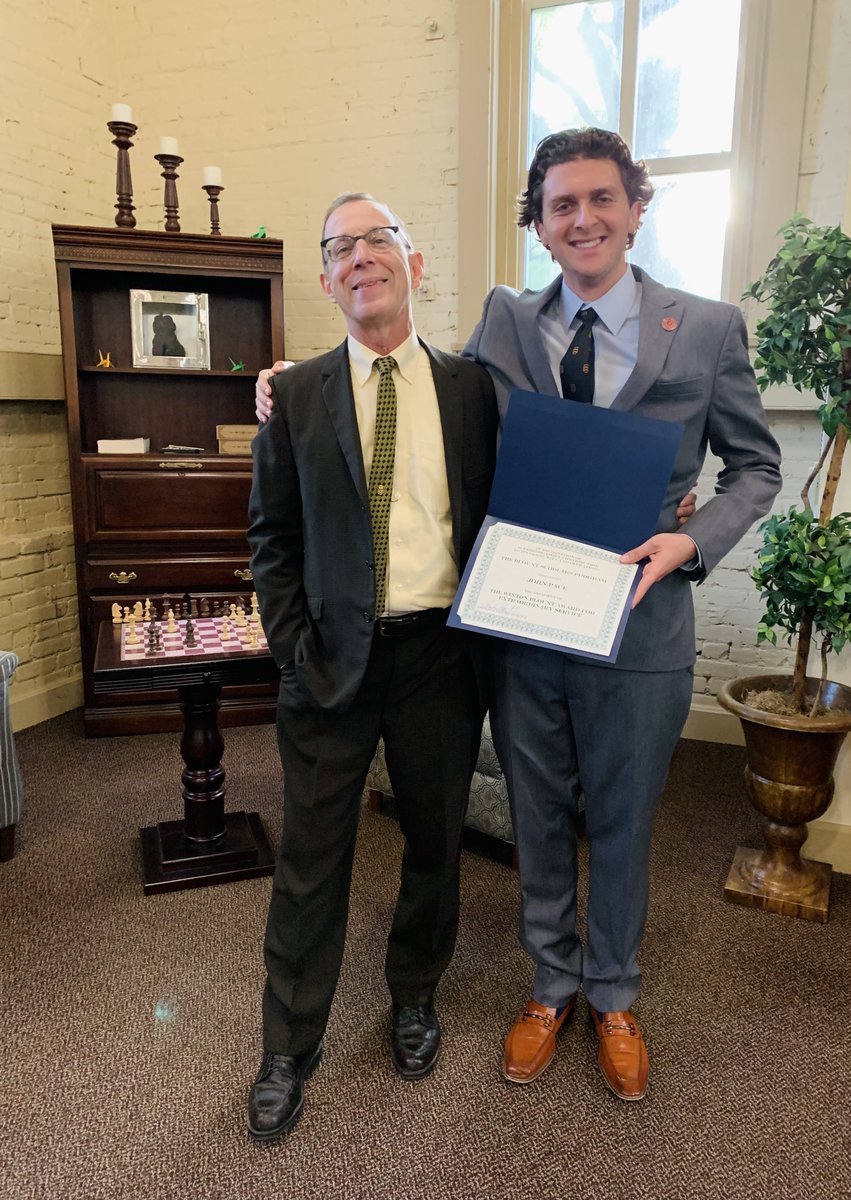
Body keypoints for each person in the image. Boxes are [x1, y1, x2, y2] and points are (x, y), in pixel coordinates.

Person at [255, 128, 781, 1104]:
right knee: (538, 819)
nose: (582, 218)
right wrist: (287, 387)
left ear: (634, 207)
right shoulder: (501, 326)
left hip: (642, 627)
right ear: (538, 228)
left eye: (600, 199)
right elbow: (407, 390)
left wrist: (692, 537)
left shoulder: (706, 329)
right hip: (526, 631)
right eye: (560, 205)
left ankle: (615, 995)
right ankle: (550, 985)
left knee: (622, 820)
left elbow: (756, 467)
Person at [245, 192, 497, 1143]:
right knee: (311, 862)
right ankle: (287, 1045)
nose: (361, 257)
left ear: (414, 262)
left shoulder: (472, 390)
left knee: (436, 842)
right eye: (340, 248)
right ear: (325, 279)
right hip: (328, 664)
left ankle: (414, 996)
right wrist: (292, 646)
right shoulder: (298, 392)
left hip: (439, 655)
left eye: (378, 240)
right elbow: (271, 535)